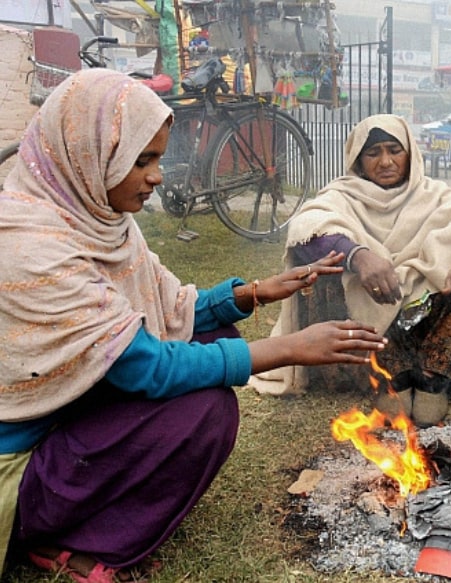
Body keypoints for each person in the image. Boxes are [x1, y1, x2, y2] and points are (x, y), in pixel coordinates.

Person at [0, 69, 386, 582]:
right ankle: (58, 535)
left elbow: (165, 313)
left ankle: (83, 509)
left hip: (69, 412)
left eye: (158, 158)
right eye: (142, 161)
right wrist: (288, 348)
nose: (157, 176)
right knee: (204, 408)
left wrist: (255, 291)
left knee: (212, 340)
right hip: (23, 460)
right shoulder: (34, 249)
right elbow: (144, 366)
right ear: (87, 154)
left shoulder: (96, 217)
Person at [252, 114, 451, 428]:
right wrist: (359, 257)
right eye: (373, 153)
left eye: (394, 150)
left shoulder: (434, 194)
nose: (386, 161)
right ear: (358, 160)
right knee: (323, 268)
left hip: (426, 314)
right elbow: (307, 228)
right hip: (372, 318)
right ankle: (388, 375)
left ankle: (434, 377)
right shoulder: (341, 196)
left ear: (410, 154)